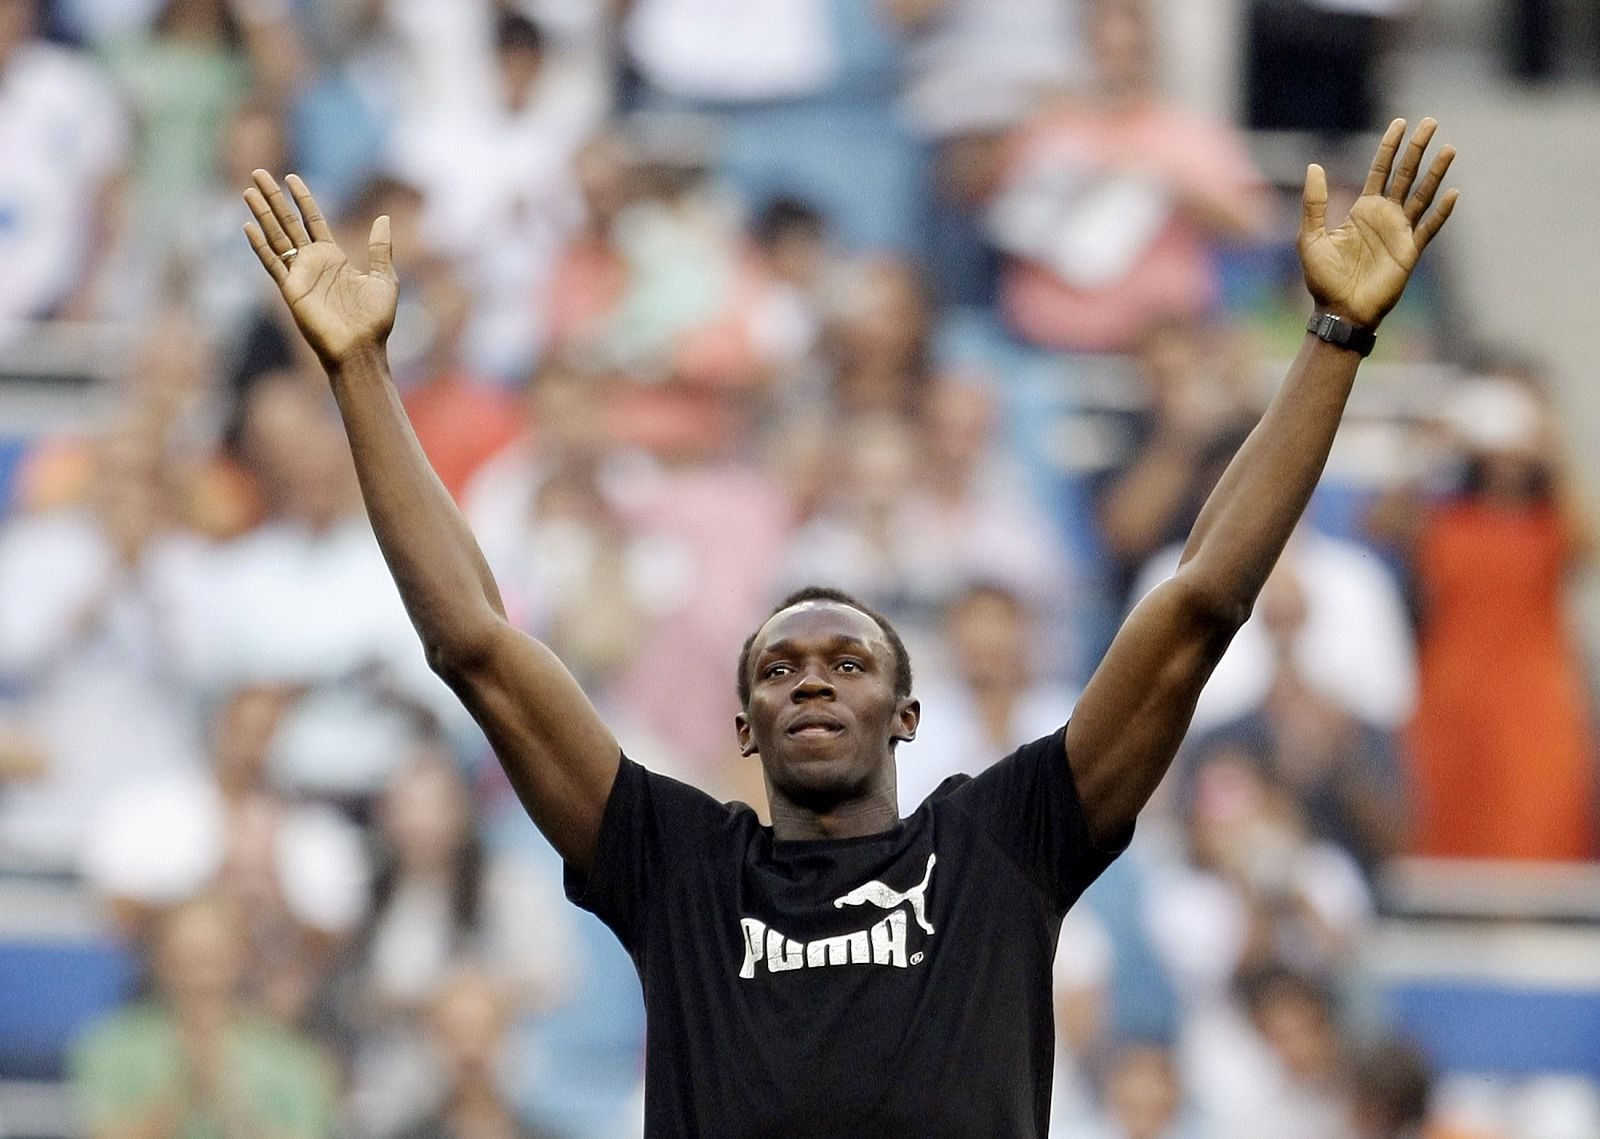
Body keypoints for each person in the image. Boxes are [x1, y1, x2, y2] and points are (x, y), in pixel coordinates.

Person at [241, 115, 1457, 1134]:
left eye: (845, 660)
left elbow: (1197, 606)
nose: (810, 678)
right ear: (744, 722)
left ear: (906, 711)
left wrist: (1333, 337)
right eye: (777, 666)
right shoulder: (678, 865)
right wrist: (358, 370)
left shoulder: (1001, 843)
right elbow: (476, 644)